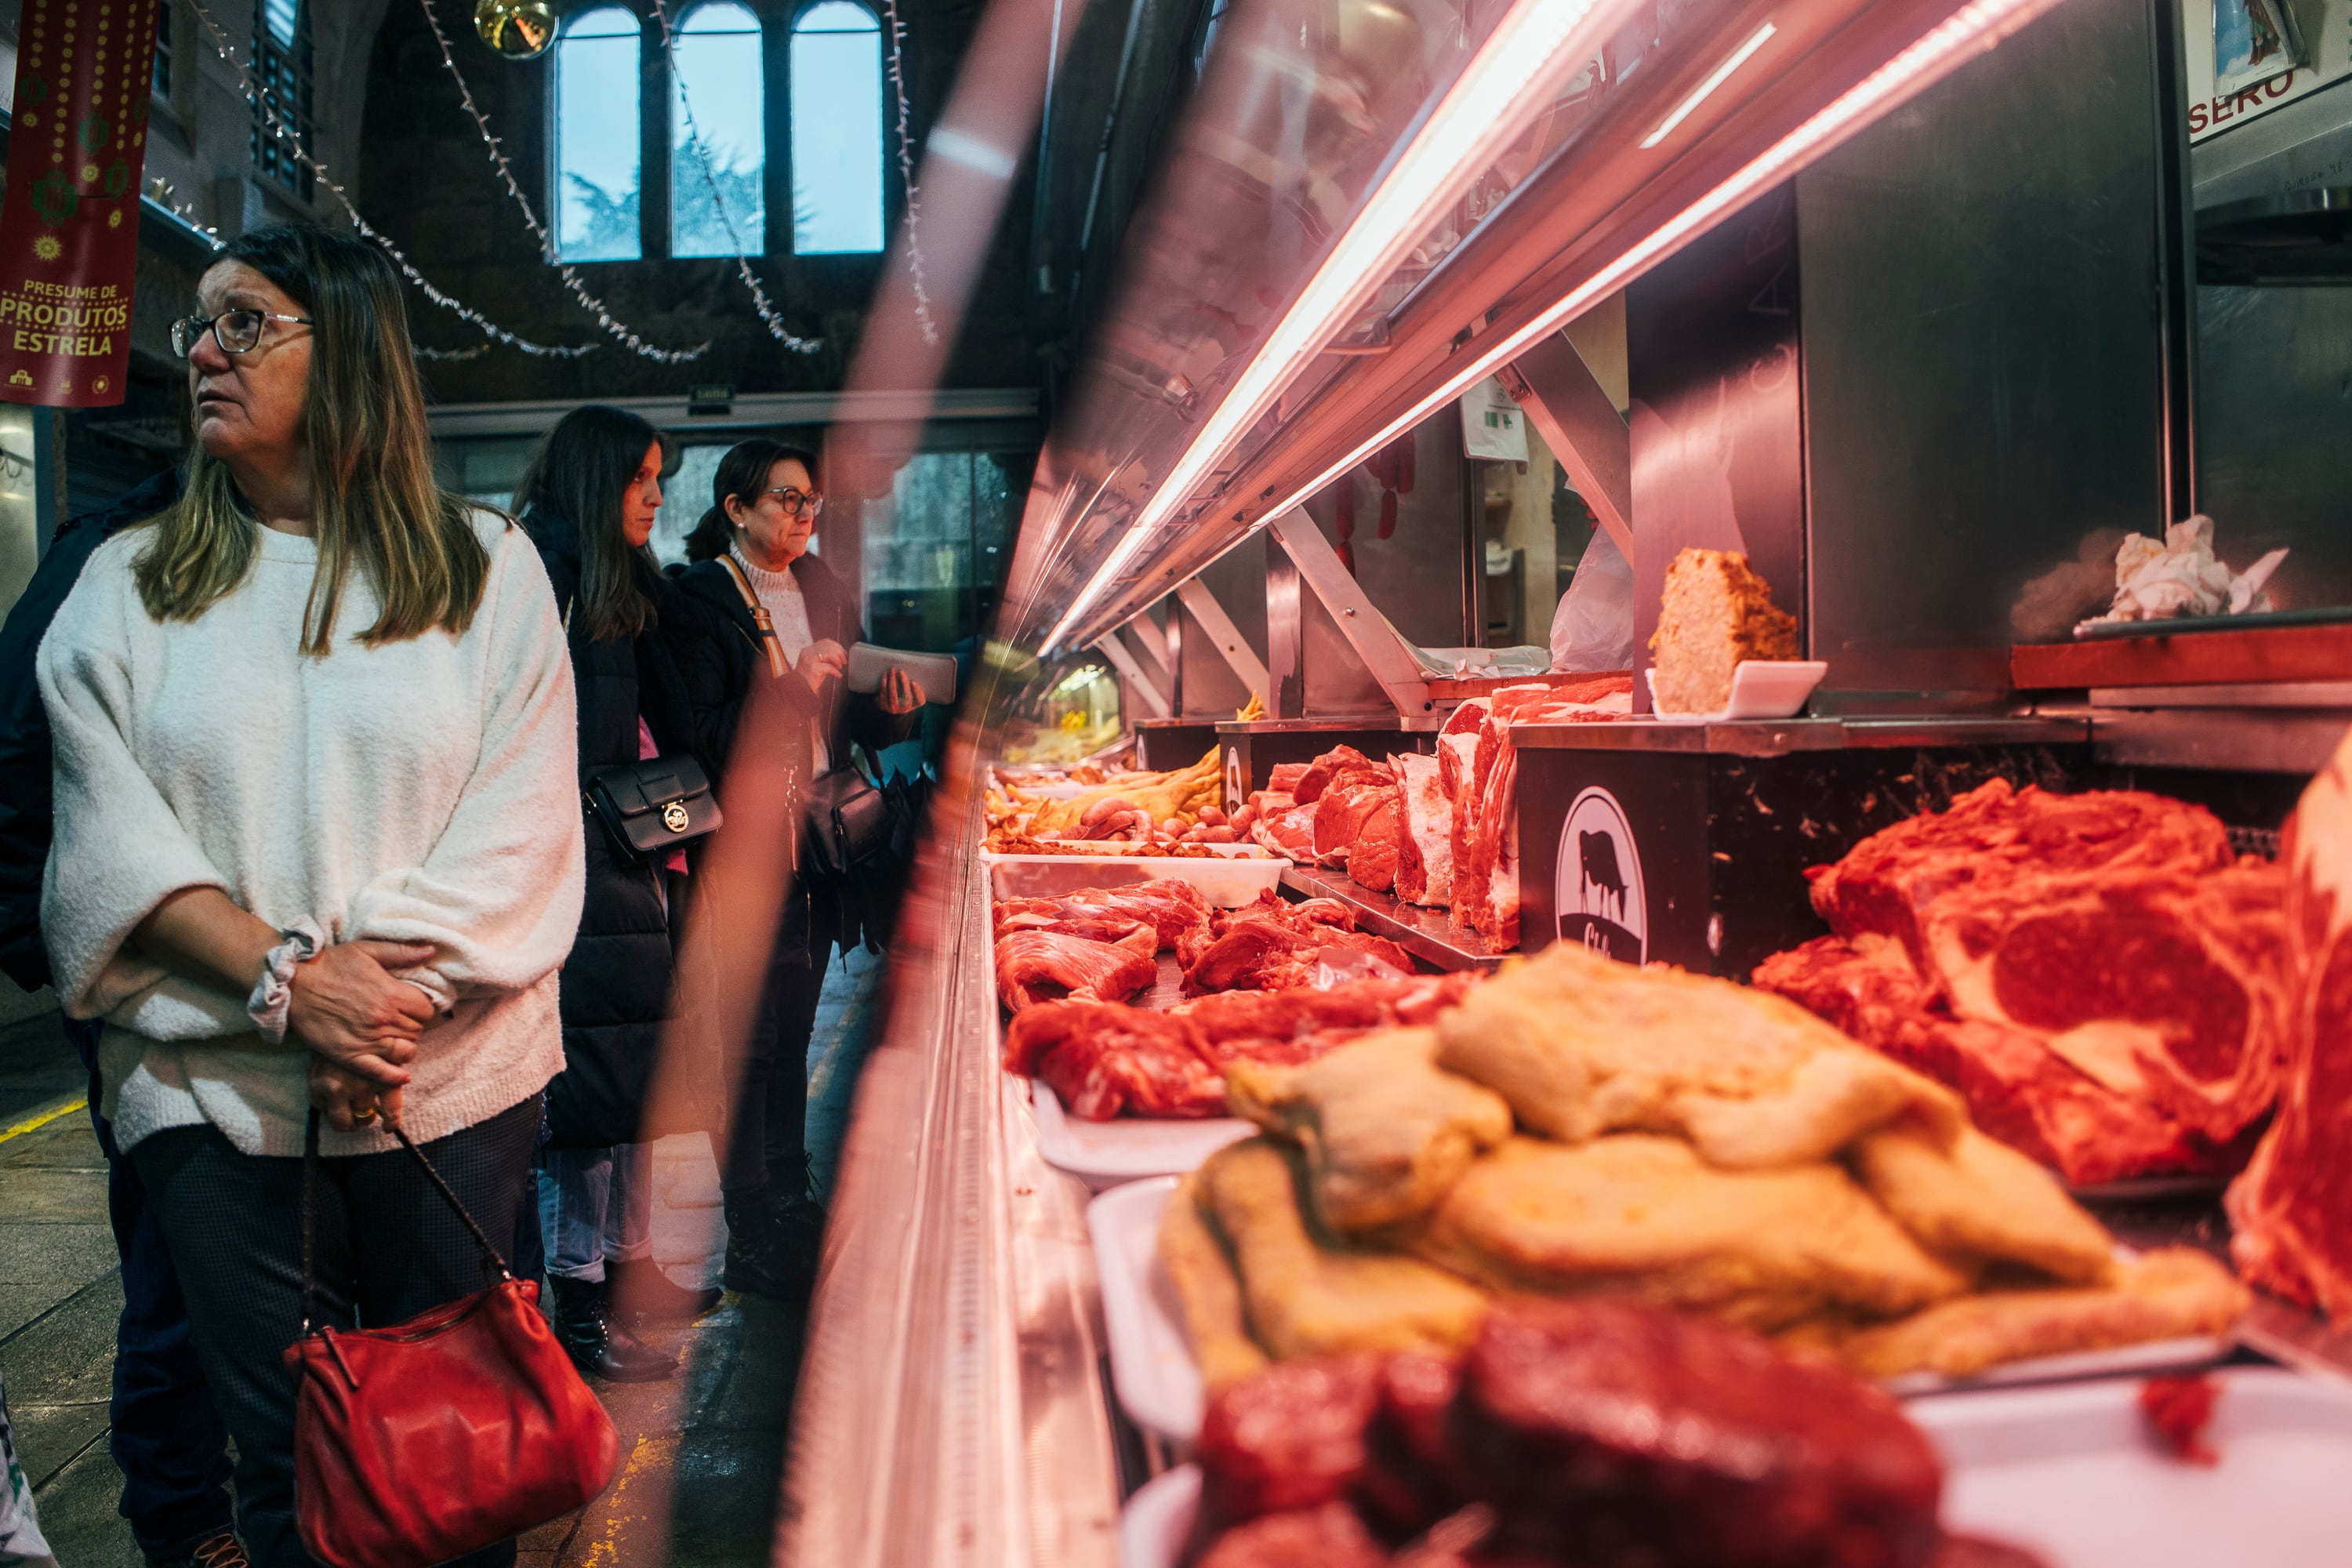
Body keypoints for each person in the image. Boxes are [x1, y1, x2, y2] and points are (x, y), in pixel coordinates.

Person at [35, 225, 584, 1568]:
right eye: (200, 328)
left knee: (459, 1467)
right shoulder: (127, 587)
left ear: (347, 356)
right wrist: (293, 991)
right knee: (294, 1483)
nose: (204, 352)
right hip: (216, 1104)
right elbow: (107, 841)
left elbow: (519, 828)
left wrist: (371, 1008)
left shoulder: (483, 568)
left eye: (245, 324)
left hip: (446, 1085)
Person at [0, 460, 253, 1568]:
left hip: (260, 979)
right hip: (139, 980)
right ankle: (182, 1512)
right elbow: (16, 768)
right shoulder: (109, 562)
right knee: (173, 1258)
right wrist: (63, 957)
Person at [677, 440, 922, 1304]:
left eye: (811, 501)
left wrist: (890, 709)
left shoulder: (821, 586)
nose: (801, 515)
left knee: (794, 1021)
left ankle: (792, 1196)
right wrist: (786, 693)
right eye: (784, 499)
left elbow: (845, 715)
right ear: (736, 506)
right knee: (749, 1039)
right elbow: (700, 731)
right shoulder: (698, 597)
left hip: (819, 841)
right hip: (746, 845)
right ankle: (749, 1224)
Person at [513, 406, 729, 1381]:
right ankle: (583, 1303)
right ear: (599, 480)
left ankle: (633, 1274)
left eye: (659, 477)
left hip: (642, 867)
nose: (655, 495)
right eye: (641, 478)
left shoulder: (627, 587)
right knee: (587, 1108)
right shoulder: (544, 578)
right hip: (582, 877)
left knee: (638, 1090)